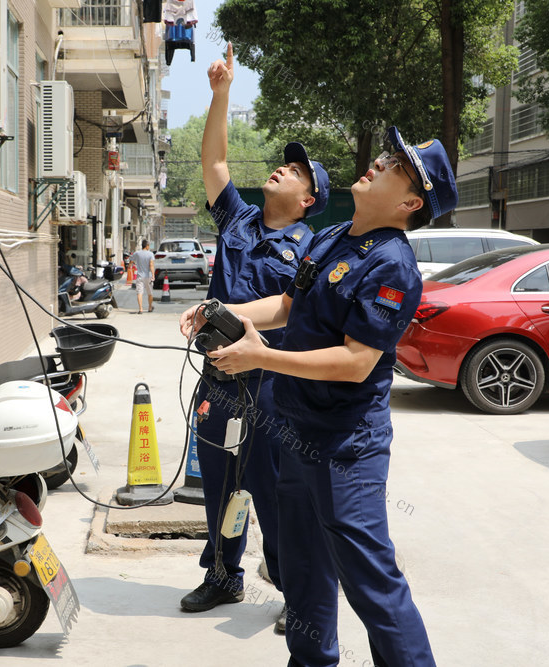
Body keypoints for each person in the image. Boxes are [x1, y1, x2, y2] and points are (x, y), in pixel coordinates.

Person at [182, 126, 457, 666]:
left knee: (370, 583)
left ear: (410, 203)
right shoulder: (332, 238)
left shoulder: (392, 264)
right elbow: (287, 305)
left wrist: (261, 358)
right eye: (386, 155)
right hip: (295, 430)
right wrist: (224, 313)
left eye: (396, 166)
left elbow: (357, 363)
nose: (380, 163)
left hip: (344, 448)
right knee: (305, 572)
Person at [178, 41, 330, 628]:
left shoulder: (312, 248)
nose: (282, 168)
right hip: (220, 376)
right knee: (220, 483)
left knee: (274, 491)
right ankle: (223, 575)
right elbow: (215, 163)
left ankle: (295, 592)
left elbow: (290, 312)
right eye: (284, 163)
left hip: (270, 383)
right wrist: (221, 95)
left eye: (295, 171)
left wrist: (226, 311)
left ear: (307, 200)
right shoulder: (238, 219)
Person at [130, 239, 155, 313]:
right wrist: (153, 275)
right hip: (148, 276)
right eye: (148, 246)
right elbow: (151, 265)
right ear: (147, 246)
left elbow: (131, 260)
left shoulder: (137, 253)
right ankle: (150, 307)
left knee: (139, 292)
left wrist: (130, 266)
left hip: (140, 276)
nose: (149, 247)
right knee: (150, 293)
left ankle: (140, 309)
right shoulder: (150, 254)